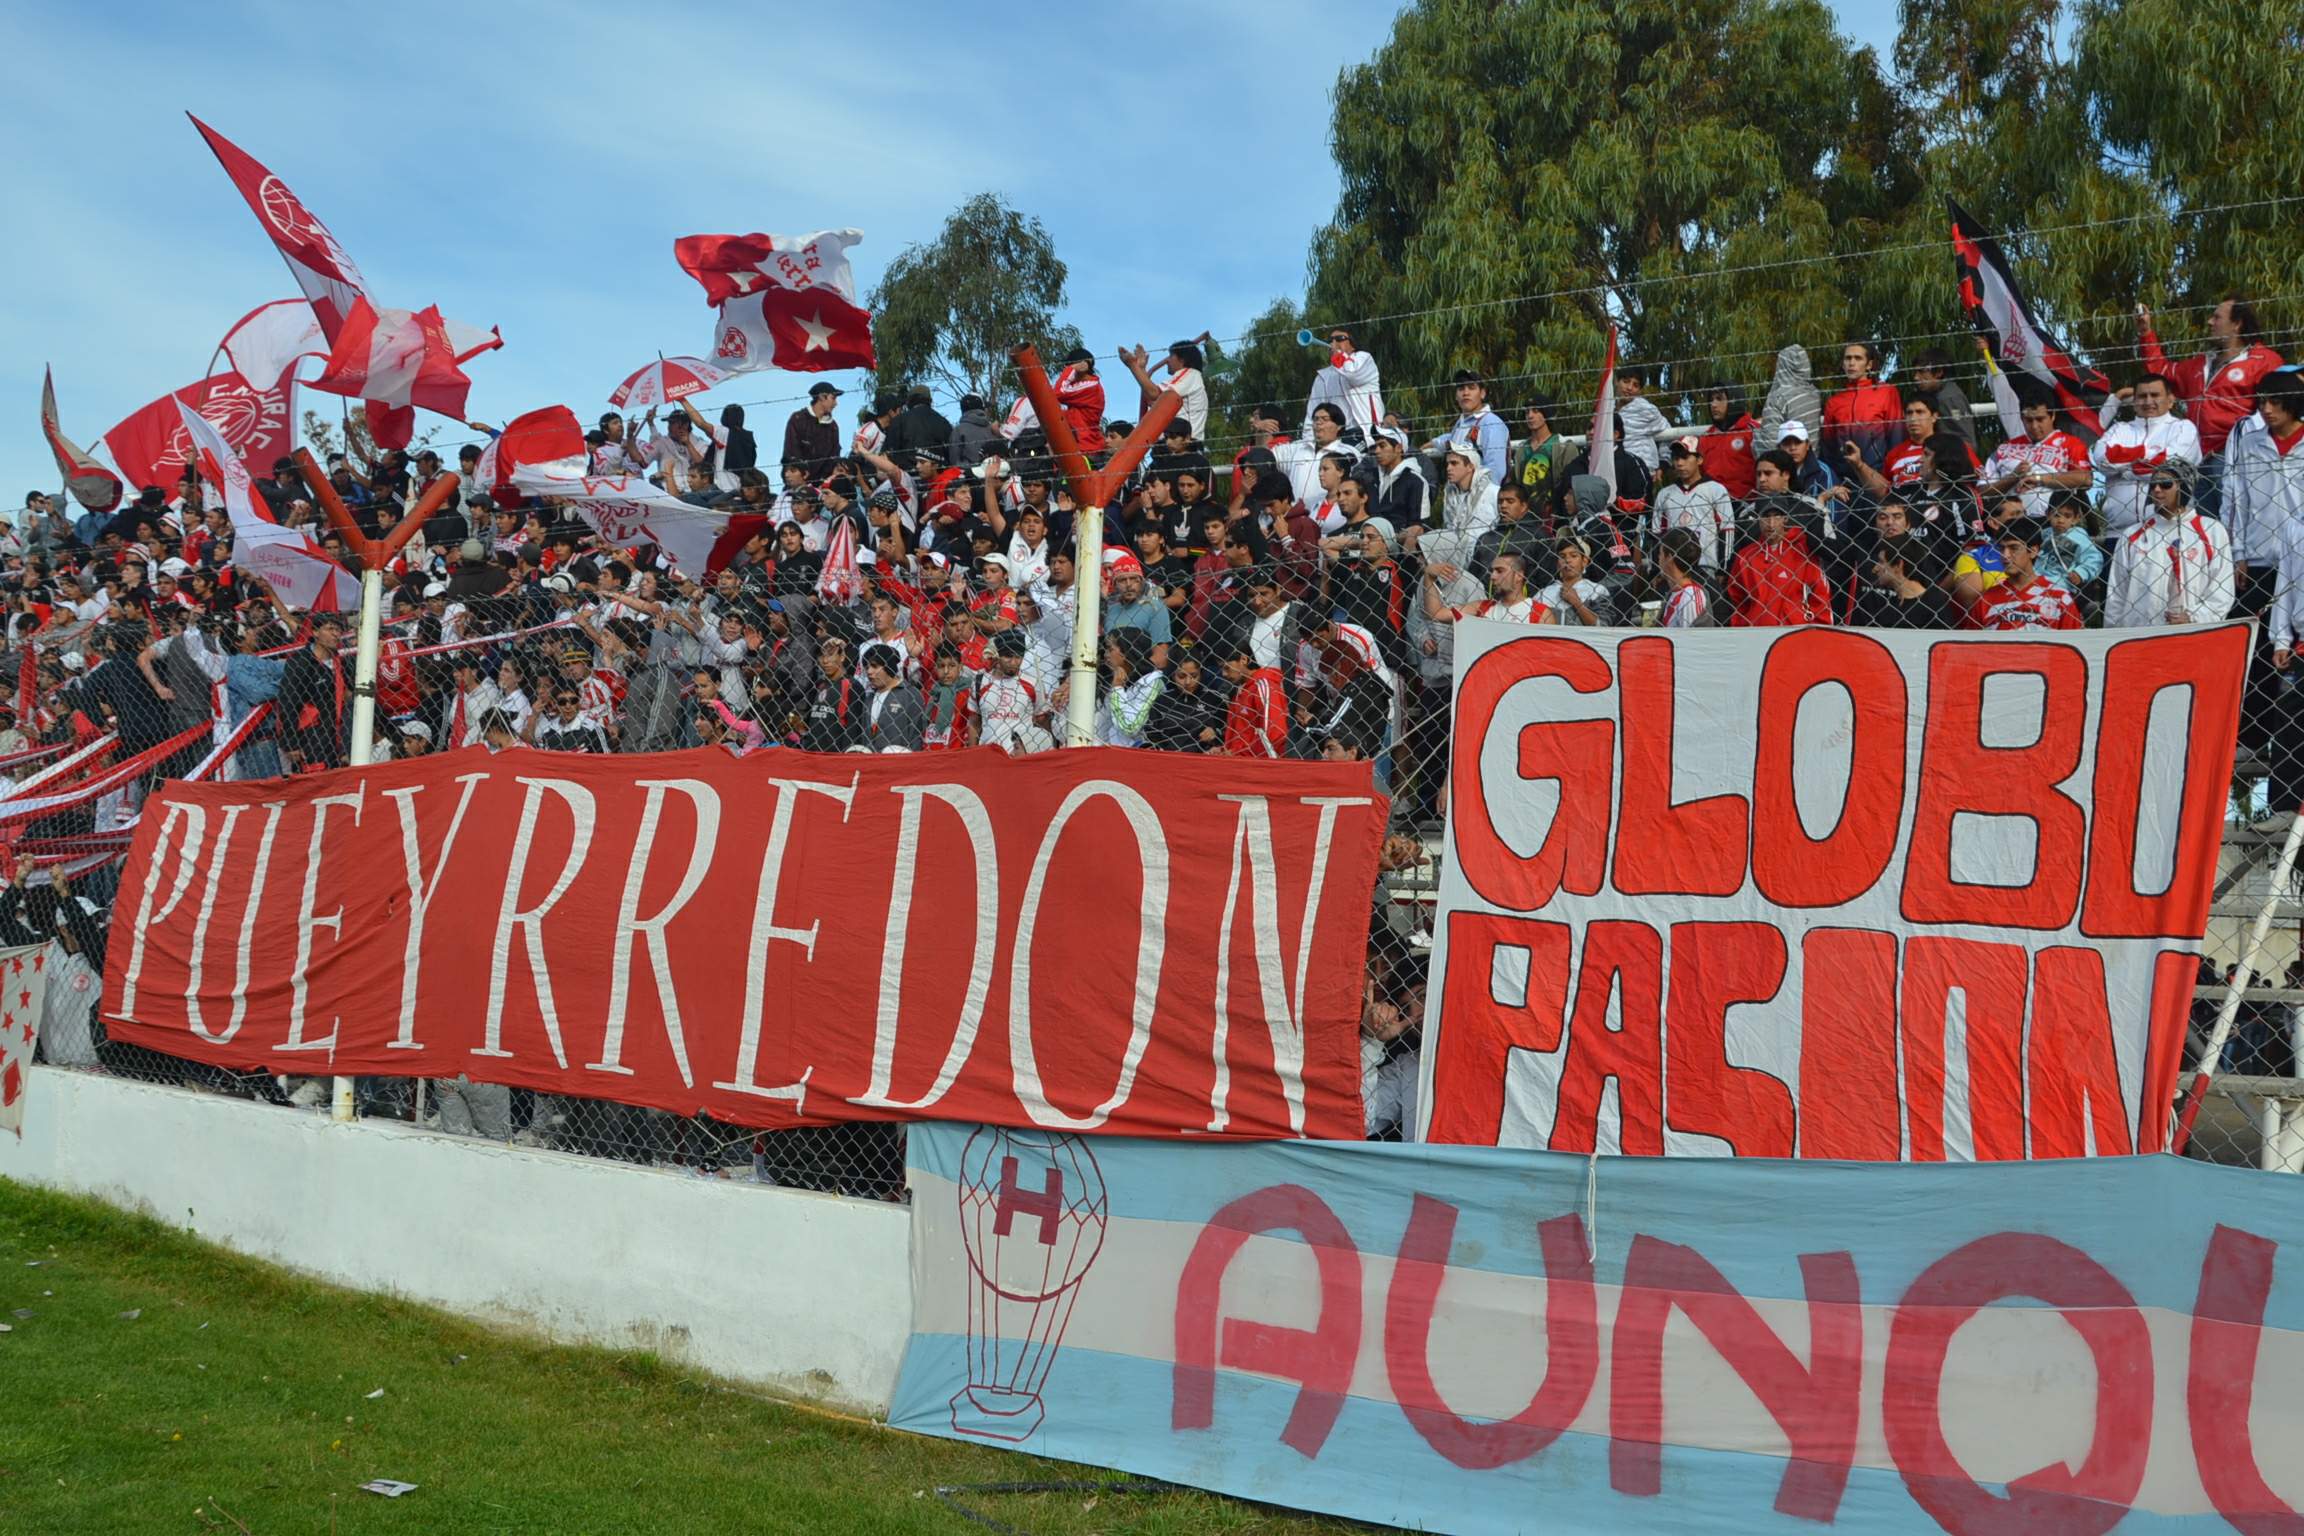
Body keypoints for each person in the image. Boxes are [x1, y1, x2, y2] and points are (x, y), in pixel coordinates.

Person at [2139, 297, 2286, 513]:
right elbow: (2161, 372)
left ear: (2237, 324)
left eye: (2217, 317)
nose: (2210, 322)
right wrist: (2146, 333)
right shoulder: (2199, 364)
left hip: (2237, 458)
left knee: (2239, 520)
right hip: (2196, 460)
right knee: (2206, 530)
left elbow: (2281, 407)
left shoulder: (2264, 360)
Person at [2105, 468, 2234, 628]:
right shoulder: (2132, 535)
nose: (2157, 490)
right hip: (2139, 636)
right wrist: (2113, 635)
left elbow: (2222, 588)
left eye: (2166, 484)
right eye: (2153, 485)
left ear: (2184, 487)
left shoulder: (2211, 530)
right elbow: (2116, 594)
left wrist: (2195, 617)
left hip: (2192, 632)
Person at [2092, 374, 2203, 538]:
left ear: (2170, 400)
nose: (2148, 401)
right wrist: (2148, 456)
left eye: (2155, 395)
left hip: (2170, 530)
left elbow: (2171, 468)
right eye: (2142, 396)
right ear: (2134, 402)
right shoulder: (2119, 429)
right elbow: (2103, 458)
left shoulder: (2183, 428)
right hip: (2118, 533)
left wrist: (2125, 470)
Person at [1979, 399, 2093, 520]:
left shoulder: (2070, 443)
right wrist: (2013, 477)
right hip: (2012, 525)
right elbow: (1982, 491)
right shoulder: (2005, 448)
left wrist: (2039, 479)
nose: (2034, 426)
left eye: (2040, 419)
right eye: (2028, 420)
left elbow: (2085, 479)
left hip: (2054, 523)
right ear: (2021, 418)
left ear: (2052, 416)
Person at [1727, 496, 1832, 625]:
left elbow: (1820, 594)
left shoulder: (1804, 551)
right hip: (1755, 634)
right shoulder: (1744, 557)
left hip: (1796, 632)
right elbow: (1736, 600)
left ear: (1785, 518)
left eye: (1777, 516)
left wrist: (1820, 629)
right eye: (1766, 516)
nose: (1771, 524)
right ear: (1758, 519)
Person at [1975, 518, 2083, 630]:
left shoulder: (2060, 598)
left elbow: (2073, 644)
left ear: (2033, 551)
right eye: (2001, 548)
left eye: (2014, 548)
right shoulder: (1986, 600)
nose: (2005, 555)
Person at [1653, 437, 1734, 570]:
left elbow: (1727, 530)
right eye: (1676, 458)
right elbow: (1657, 535)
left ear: (1699, 460)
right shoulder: (1664, 494)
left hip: (1706, 565)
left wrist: (1724, 570)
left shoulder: (1716, 490)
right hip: (1674, 569)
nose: (1679, 463)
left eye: (1685, 457)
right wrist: (1657, 570)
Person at [1821, 341, 1901, 472]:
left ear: (1869, 365)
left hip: (1878, 475)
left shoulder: (1886, 392)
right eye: (1848, 358)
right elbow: (1828, 445)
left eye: (1858, 358)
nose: (1851, 363)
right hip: (1844, 479)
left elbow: (1896, 436)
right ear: (1842, 364)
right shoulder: (1834, 401)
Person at [1849, 536, 1963, 628]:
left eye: (1881, 562)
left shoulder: (1934, 605)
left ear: (1898, 565)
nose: (1875, 568)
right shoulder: (1888, 608)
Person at [1302, 325, 1384, 441]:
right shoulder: (1322, 377)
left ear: (1352, 343)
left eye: (1339, 338)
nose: (1333, 343)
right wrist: (1309, 445)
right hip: (1337, 441)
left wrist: (1339, 356)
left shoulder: (1364, 359)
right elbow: (1312, 414)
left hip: (1368, 436)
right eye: (1331, 340)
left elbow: (1353, 374)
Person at [1422, 549, 1546, 625]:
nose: (1492, 576)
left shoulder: (1540, 614)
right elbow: (1436, 614)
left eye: (1499, 571)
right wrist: (1429, 577)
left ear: (1519, 575)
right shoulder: (1481, 608)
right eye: (1492, 571)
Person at [1426, 371, 1508, 482]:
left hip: (1481, 495)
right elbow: (1452, 441)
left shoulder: (1491, 423)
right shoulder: (1461, 424)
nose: (1466, 393)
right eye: (1461, 389)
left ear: (1482, 393)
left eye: (1471, 387)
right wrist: (1432, 443)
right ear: (1456, 396)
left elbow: (1495, 470)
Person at [1218, 636, 1287, 758]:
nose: (1224, 674)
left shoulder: (1264, 686)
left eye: (1227, 668)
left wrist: (1237, 754)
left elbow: (1275, 735)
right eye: (1221, 669)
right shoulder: (1241, 689)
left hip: (1259, 766)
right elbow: (1239, 735)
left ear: (1243, 659)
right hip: (1239, 762)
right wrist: (1223, 750)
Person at [1097, 627, 1163, 747]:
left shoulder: (1152, 682)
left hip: (1138, 753)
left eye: (1110, 649)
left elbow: (1129, 727)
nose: (1106, 655)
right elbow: (1102, 726)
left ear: (1126, 652)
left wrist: (1117, 689)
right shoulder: (1116, 678)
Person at [1694, 381, 1759, 502]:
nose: (1713, 405)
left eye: (1719, 399)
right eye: (1711, 400)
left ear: (1734, 400)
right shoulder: (1706, 437)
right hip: (1713, 505)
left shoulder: (1753, 431)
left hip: (1746, 504)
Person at [1535, 535, 1612, 626]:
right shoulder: (1543, 594)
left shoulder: (1597, 591)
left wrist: (1576, 602)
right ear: (1557, 564)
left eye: (1574, 556)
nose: (1567, 560)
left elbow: (1603, 626)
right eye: (1562, 556)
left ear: (1584, 561)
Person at [1654, 527, 1715, 627]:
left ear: (1669, 558)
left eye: (1660, 554)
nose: (1658, 559)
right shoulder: (1674, 593)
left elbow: (1689, 639)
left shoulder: (1690, 596)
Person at [1613, 369, 1671, 475]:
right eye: (1626, 382)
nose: (1629, 388)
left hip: (1640, 471)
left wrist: (1663, 462)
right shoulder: (1607, 408)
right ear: (1617, 381)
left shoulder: (1645, 409)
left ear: (1640, 390)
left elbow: (1670, 434)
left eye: (1635, 385)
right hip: (1614, 470)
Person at [782, 383, 842, 476]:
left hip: (823, 485)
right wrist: (801, 474)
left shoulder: (833, 427)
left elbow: (834, 457)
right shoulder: (798, 419)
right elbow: (791, 452)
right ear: (822, 397)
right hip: (797, 481)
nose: (836, 403)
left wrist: (823, 481)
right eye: (833, 398)